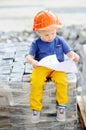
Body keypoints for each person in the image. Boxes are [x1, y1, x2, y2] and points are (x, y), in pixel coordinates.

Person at [26, 9, 80, 123]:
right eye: (46, 34)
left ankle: (62, 106)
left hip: (57, 67)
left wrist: (74, 56)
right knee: (36, 82)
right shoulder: (35, 43)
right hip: (41, 67)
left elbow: (69, 53)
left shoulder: (60, 40)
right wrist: (33, 62)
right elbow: (29, 57)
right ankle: (36, 108)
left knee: (62, 81)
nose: (50, 37)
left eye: (53, 33)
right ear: (38, 32)